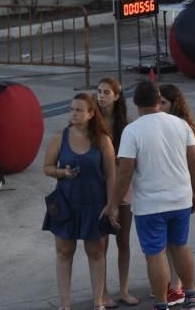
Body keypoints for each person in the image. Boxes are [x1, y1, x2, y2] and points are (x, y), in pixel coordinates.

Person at [113, 81, 195, 310]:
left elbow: (124, 173)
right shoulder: (181, 125)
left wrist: (113, 204)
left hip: (149, 204)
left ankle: (162, 304)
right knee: (180, 246)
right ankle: (191, 296)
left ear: (135, 102)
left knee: (155, 254)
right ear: (158, 99)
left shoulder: (132, 131)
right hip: (180, 198)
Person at [42, 93, 117, 310]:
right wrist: (62, 173)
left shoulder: (103, 140)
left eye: (79, 110)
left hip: (95, 204)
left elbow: (112, 175)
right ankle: (65, 305)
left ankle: (98, 303)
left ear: (91, 114)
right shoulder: (59, 137)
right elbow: (47, 168)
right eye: (71, 109)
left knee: (96, 252)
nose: (73, 113)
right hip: (66, 203)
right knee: (64, 252)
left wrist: (111, 206)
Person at [97, 78, 138, 308]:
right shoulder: (93, 122)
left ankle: (123, 289)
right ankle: (102, 292)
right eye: (98, 92)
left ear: (116, 96)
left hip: (124, 187)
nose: (101, 96)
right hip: (99, 187)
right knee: (101, 243)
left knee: (123, 239)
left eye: (106, 92)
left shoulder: (127, 126)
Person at [158, 84, 195, 306]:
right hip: (169, 192)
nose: (158, 106)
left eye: (163, 102)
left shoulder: (181, 126)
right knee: (167, 244)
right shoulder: (161, 125)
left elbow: (194, 162)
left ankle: (177, 286)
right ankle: (173, 283)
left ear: (174, 104)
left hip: (176, 192)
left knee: (175, 243)